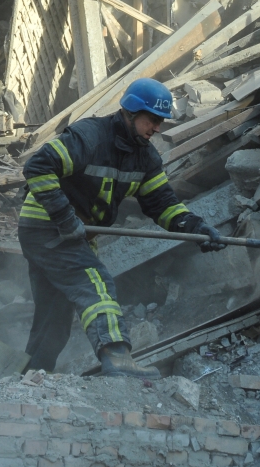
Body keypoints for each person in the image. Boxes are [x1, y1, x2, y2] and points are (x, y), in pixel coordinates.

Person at [19, 78, 224, 378]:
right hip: (46, 226)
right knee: (96, 283)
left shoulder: (146, 158)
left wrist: (196, 228)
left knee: (55, 314)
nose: (156, 128)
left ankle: (32, 373)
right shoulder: (90, 137)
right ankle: (117, 357)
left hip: (72, 232)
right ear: (130, 111)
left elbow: (162, 204)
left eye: (160, 122)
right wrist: (65, 219)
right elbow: (37, 167)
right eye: (151, 120)